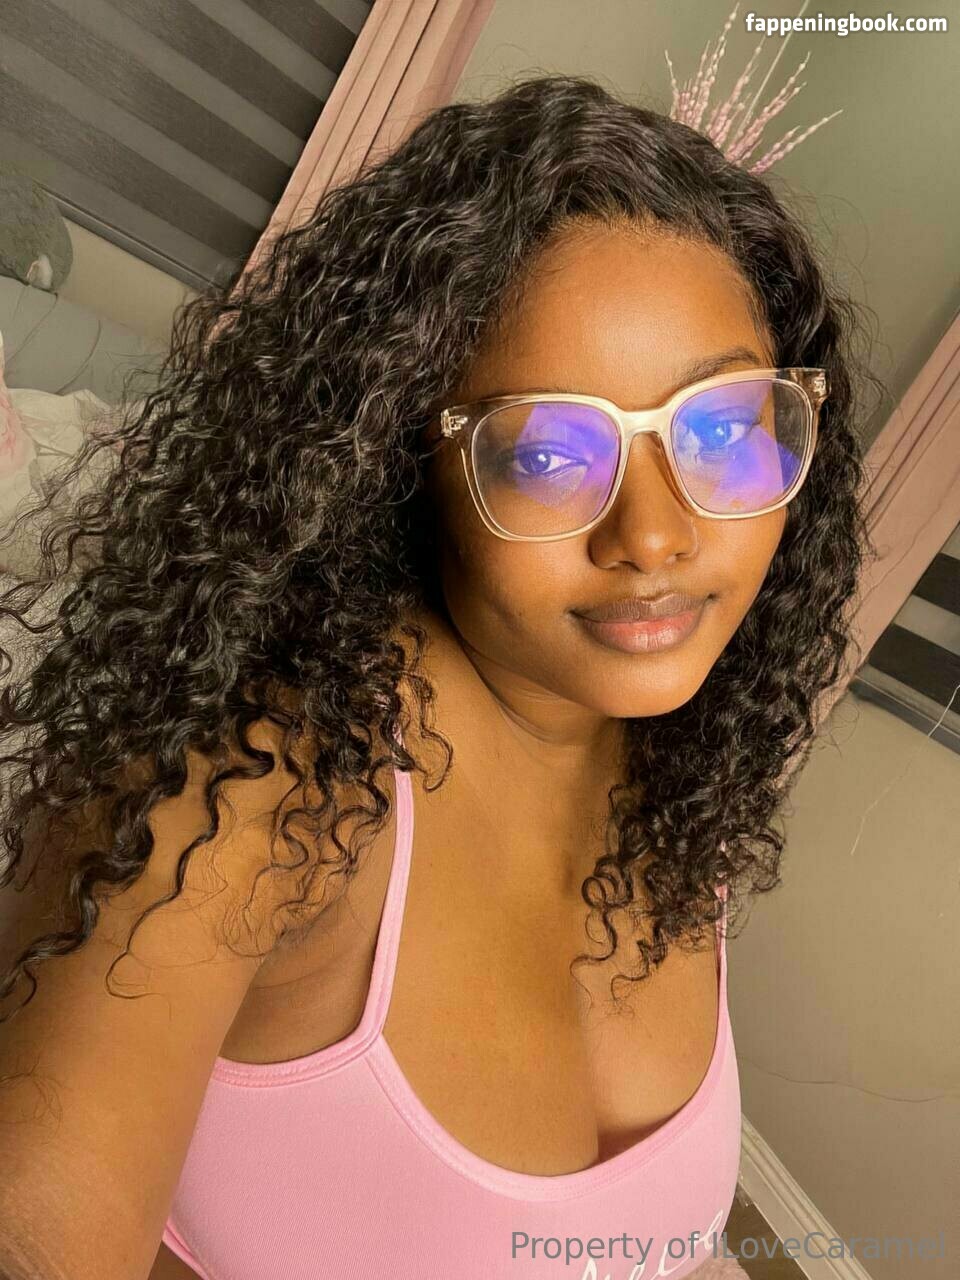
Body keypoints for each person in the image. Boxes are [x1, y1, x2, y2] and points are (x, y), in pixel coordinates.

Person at [0, 75, 872, 1280]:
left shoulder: (683, 759)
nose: (657, 536)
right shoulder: (250, 793)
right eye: (550, 452)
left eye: (723, 428)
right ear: (405, 455)